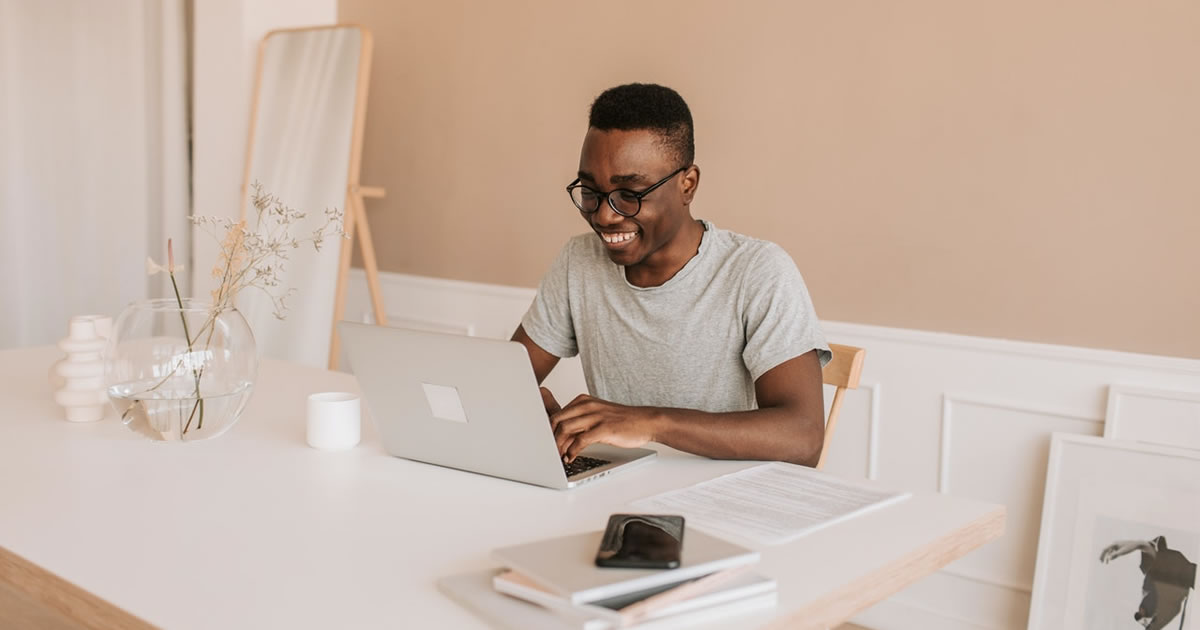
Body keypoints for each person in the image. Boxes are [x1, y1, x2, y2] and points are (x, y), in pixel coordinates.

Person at [511, 83, 831, 467]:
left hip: (718, 499)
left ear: (687, 184)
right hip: (618, 491)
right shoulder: (579, 262)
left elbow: (803, 438)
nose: (604, 215)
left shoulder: (757, 271)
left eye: (629, 193)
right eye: (591, 191)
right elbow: (509, 377)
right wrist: (526, 402)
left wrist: (650, 422)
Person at [1100, 535, 1196, 629]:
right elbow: (1143, 546)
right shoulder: (1159, 583)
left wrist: (1133, 546)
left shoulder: (1158, 574)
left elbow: (1143, 546)